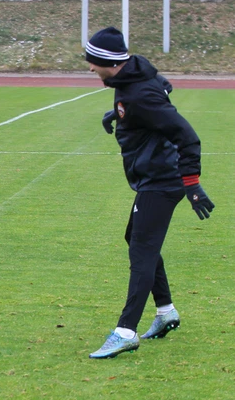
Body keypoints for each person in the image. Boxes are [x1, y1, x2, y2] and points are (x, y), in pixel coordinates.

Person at [85, 27, 215, 359]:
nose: (90, 67)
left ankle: (125, 332)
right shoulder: (132, 75)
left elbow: (188, 136)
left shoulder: (140, 93)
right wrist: (119, 113)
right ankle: (166, 312)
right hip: (153, 177)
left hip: (163, 180)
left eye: (93, 61)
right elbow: (161, 85)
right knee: (136, 239)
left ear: (110, 62)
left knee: (141, 252)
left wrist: (192, 184)